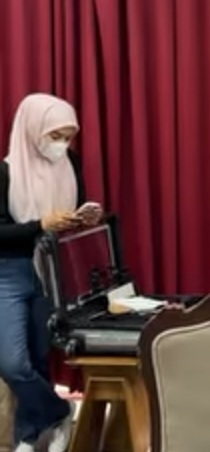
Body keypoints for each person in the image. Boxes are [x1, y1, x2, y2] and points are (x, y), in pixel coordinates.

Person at [0, 93, 103, 452]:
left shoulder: (70, 163)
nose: (62, 145)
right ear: (32, 130)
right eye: (55, 136)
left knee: (40, 355)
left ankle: (29, 436)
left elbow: (73, 207)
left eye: (68, 137)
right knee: (12, 362)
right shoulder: (6, 173)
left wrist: (83, 217)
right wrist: (40, 224)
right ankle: (59, 412)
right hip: (11, 273)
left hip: (53, 268)